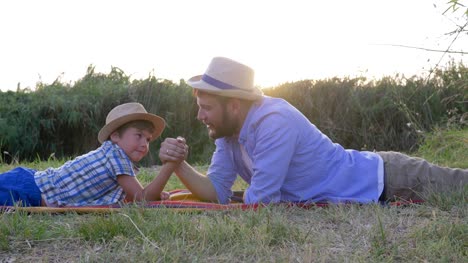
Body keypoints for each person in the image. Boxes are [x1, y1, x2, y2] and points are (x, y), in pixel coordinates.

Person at [160, 56, 468, 205]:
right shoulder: (228, 136)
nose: (200, 116)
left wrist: (240, 198)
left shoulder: (273, 120)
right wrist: (179, 165)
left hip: (389, 177)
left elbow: (259, 203)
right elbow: (216, 191)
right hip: (376, 190)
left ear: (234, 105)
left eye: (207, 107)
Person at [0, 102, 186, 207]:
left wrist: (154, 192)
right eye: (138, 136)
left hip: (31, 181)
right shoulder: (116, 157)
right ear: (115, 136)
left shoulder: (116, 157)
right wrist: (170, 166)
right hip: (28, 190)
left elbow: (132, 197)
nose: (144, 144)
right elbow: (143, 199)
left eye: (148, 139)